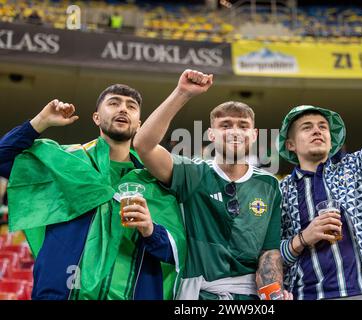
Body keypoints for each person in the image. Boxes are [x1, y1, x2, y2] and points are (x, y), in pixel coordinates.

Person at [0, 85, 185, 300]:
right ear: (96, 117)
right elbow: (3, 158)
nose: (123, 109)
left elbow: (178, 253)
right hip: (63, 294)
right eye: (114, 103)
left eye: (131, 106)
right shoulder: (65, 163)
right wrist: (41, 121)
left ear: (140, 125)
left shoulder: (157, 181)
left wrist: (151, 231)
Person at [278, 32, 362, 300]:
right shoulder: (279, 190)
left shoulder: (357, 167)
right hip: (305, 295)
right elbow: (271, 253)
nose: (317, 131)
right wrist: (304, 237)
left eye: (323, 127)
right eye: (307, 128)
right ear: (290, 145)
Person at [133, 69, 290, 300]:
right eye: (225, 125)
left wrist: (273, 294)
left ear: (254, 134)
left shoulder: (268, 184)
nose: (235, 131)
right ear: (212, 134)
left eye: (243, 126)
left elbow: (269, 251)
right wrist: (182, 93)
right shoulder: (193, 173)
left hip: (250, 297)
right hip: (200, 295)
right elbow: (143, 145)